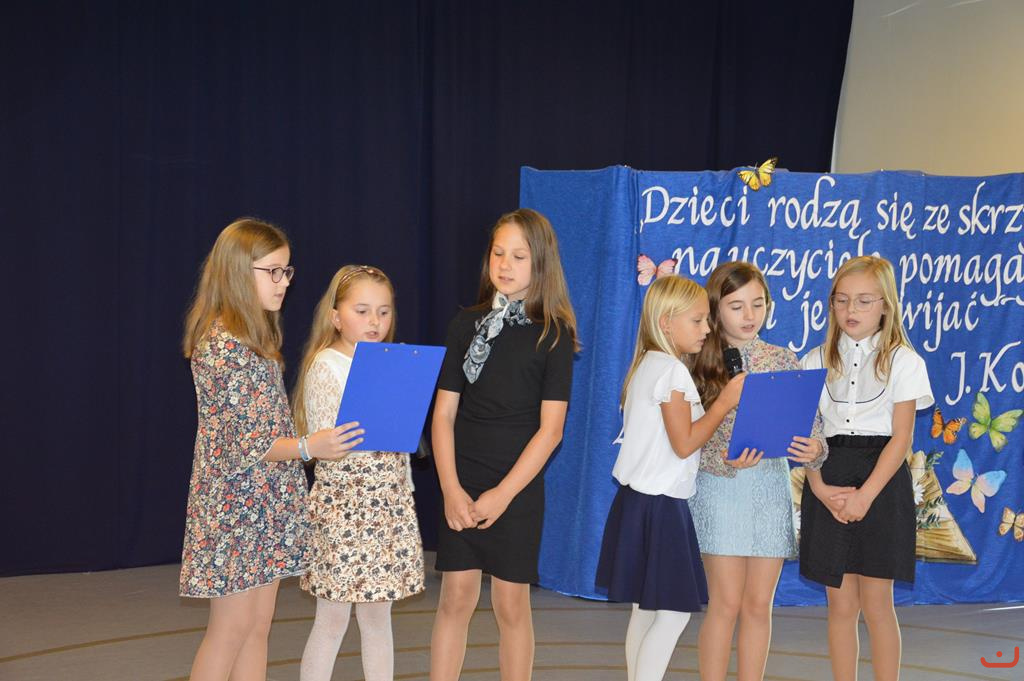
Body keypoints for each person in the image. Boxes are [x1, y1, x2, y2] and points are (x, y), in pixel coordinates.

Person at [179, 218, 363, 681]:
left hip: (265, 501)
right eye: (273, 272)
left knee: (258, 626)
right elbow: (245, 443)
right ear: (238, 272)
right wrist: (309, 445)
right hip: (234, 507)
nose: (283, 282)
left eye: (287, 271)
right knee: (231, 628)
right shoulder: (221, 346)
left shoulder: (255, 337)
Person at [429, 208, 578, 681]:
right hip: (463, 477)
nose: (505, 264)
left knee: (511, 604)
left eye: (519, 256)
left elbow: (550, 431)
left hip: (517, 485)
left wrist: (503, 494)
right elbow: (443, 414)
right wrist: (451, 489)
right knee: (455, 598)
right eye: (498, 253)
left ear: (541, 263)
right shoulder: (464, 325)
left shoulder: (554, 334)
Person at [595, 274, 753, 681]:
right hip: (661, 505)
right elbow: (684, 444)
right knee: (673, 614)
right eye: (697, 321)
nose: (707, 329)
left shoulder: (647, 365)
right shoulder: (672, 372)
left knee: (645, 610)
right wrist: (725, 402)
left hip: (638, 502)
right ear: (666, 323)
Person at [689, 261, 827, 681]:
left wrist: (815, 449)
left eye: (758, 304)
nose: (749, 316)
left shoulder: (783, 358)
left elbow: (813, 430)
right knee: (725, 603)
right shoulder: (697, 361)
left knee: (758, 605)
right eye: (736, 306)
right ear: (716, 309)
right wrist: (722, 459)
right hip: (719, 490)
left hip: (769, 490)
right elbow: (684, 441)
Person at [800, 255, 933, 681]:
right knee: (840, 605)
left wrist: (865, 496)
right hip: (829, 477)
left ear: (885, 306)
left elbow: (901, 439)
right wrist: (820, 489)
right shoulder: (814, 360)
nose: (850, 310)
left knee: (878, 604)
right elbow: (807, 438)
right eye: (841, 300)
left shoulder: (904, 362)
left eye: (863, 301)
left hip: (881, 482)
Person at [293, 265, 425, 681]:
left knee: (378, 619)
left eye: (384, 312)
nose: (375, 322)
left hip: (386, 506)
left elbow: (401, 439)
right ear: (336, 317)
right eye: (362, 311)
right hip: (345, 508)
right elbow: (328, 442)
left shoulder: (391, 362)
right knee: (332, 619)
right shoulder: (326, 365)